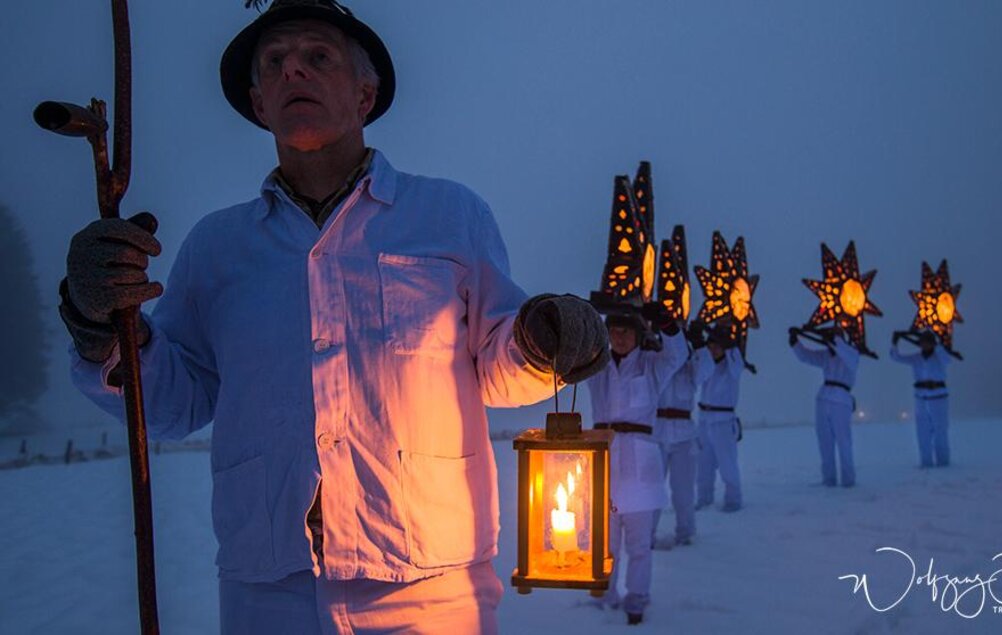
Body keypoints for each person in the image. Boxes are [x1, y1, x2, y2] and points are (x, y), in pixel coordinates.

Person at [58, 2, 608, 633]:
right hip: (268, 587)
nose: (294, 70)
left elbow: (499, 364)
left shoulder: (449, 216)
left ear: (365, 93)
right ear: (259, 102)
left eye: (318, 56)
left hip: (428, 588)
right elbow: (173, 401)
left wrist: (544, 338)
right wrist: (97, 326)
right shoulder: (218, 247)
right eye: (274, 63)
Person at [585, 310, 686, 625]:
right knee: (605, 543)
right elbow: (570, 357)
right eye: (614, 331)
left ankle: (637, 601)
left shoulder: (652, 366)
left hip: (641, 468)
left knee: (639, 545)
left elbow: (678, 353)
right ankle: (603, 597)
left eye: (626, 332)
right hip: (604, 464)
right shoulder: (596, 366)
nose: (619, 337)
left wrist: (667, 323)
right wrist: (582, 316)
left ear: (638, 335)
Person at [651, 320, 712, 547]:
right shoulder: (658, 367)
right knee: (653, 489)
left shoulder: (691, 371)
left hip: (684, 438)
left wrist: (700, 344)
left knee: (683, 491)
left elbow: (708, 367)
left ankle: (685, 533)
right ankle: (647, 535)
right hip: (656, 434)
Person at [789, 327, 860, 488]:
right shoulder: (826, 355)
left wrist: (834, 340)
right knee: (825, 442)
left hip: (841, 400)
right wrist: (795, 342)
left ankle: (848, 480)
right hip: (823, 399)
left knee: (844, 442)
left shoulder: (851, 353)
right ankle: (829, 479)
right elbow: (806, 356)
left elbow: (844, 352)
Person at [694, 323, 745, 512]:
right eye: (711, 345)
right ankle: (704, 499)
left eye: (718, 345)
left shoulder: (733, 364)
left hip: (723, 420)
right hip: (704, 419)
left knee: (727, 464)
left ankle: (733, 500)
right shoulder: (706, 365)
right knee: (703, 464)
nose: (714, 350)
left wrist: (730, 345)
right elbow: (696, 377)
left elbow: (737, 365)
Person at [890, 331, 953, 467]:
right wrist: (894, 343)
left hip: (938, 398)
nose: (925, 345)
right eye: (922, 342)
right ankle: (926, 463)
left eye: (927, 342)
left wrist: (937, 345)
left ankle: (943, 463)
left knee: (940, 432)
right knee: (922, 433)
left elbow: (948, 360)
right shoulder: (916, 358)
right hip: (921, 398)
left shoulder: (940, 356)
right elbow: (896, 357)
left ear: (933, 343)